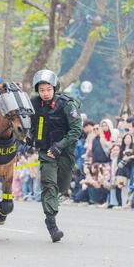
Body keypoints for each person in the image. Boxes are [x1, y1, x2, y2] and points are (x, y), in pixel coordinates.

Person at [29, 69, 83, 242]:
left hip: (65, 152)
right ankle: (51, 224)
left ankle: (54, 200)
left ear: (54, 88)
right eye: (42, 90)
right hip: (46, 153)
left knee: (62, 186)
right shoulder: (33, 105)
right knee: (49, 184)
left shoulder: (67, 104)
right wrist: (27, 139)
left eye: (48, 89)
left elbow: (76, 130)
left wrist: (60, 145)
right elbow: (25, 124)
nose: (45, 93)